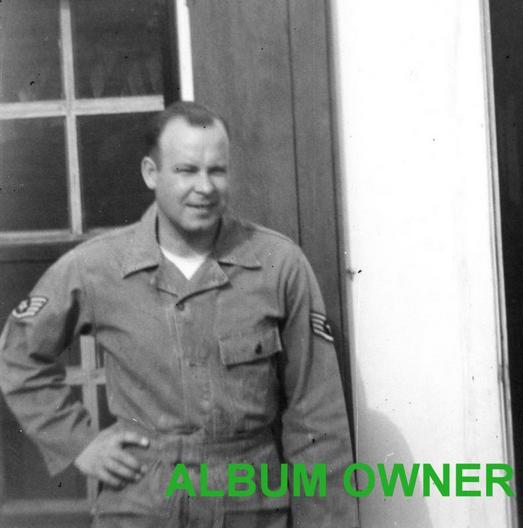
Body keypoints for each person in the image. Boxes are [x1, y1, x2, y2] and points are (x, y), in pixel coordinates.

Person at [0, 101, 359, 528]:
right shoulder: (96, 267)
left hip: (249, 500)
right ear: (151, 173)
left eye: (217, 171)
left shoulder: (279, 265)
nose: (204, 187)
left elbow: (316, 418)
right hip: (141, 499)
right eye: (187, 170)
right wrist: (78, 442)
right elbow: (17, 354)